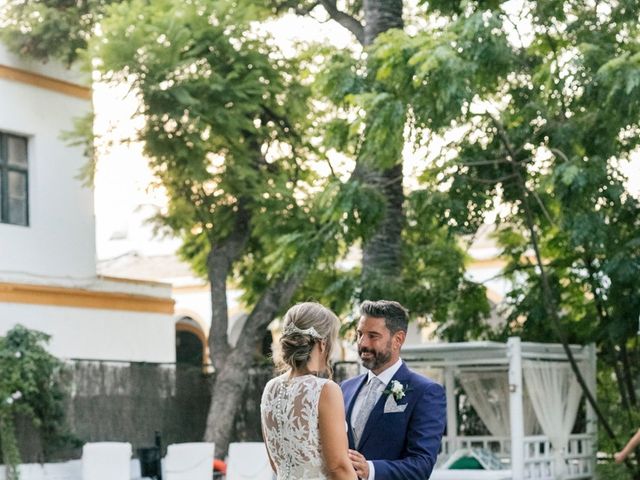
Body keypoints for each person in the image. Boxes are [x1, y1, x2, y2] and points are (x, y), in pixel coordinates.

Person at [341, 300, 446, 480]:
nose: (362, 343)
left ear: (398, 340)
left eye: (373, 336)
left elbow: (421, 464)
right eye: (359, 334)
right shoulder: (345, 388)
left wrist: (371, 470)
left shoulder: (426, 392)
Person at [261, 302, 357, 480]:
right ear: (322, 344)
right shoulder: (325, 390)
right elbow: (339, 467)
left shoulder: (270, 388)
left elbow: (276, 463)